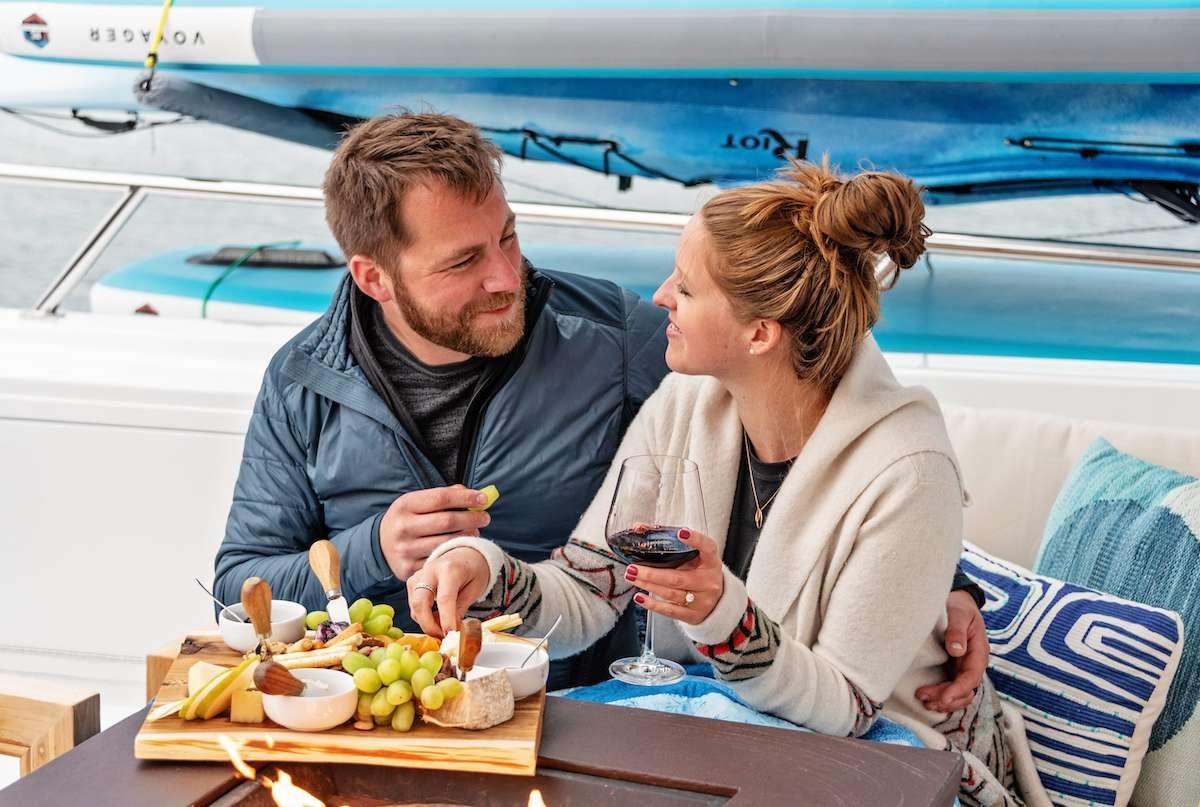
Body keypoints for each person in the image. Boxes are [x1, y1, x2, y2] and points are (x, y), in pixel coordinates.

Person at [213, 111, 988, 704]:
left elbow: (806, 354)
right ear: (375, 276)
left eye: (508, 237)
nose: (507, 275)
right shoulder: (300, 381)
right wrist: (378, 550)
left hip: (573, 707)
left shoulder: (612, 338)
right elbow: (238, 585)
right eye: (464, 261)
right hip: (368, 705)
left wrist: (938, 575)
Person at [411, 159, 1041, 804]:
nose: (660, 298)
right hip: (721, 740)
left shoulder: (910, 472)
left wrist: (721, 614)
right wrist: (481, 568)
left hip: (889, 762)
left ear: (759, 333)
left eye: (685, 288)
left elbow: (846, 709)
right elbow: (587, 589)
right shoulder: (685, 401)